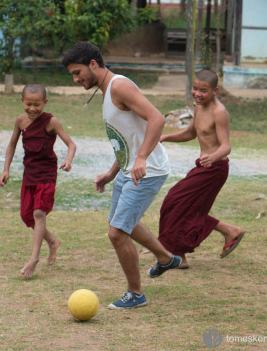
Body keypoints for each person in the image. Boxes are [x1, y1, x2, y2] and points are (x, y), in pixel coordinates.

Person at [62, 41, 181, 309]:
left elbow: (157, 118)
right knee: (124, 223)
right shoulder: (107, 93)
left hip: (147, 171)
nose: (76, 79)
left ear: (94, 64)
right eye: (72, 74)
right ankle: (165, 258)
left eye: (78, 72)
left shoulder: (119, 86)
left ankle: (136, 293)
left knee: (117, 233)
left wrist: (141, 158)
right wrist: (111, 172)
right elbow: (125, 139)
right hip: (129, 169)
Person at [157, 69, 244, 268]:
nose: (197, 93)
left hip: (215, 169)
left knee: (175, 200)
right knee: (184, 207)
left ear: (215, 90)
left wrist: (212, 157)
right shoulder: (198, 107)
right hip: (204, 166)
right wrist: (165, 137)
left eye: (203, 90)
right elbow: (190, 133)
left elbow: (226, 146)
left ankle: (178, 254)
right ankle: (183, 254)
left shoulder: (219, 112)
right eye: (195, 88)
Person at [0, 84, 76, 279]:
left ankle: (34, 258)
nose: (32, 109)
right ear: (22, 102)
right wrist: (6, 169)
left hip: (46, 174)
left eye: (37, 105)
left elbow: (71, 144)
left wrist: (68, 159)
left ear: (45, 103)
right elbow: (11, 145)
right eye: (28, 104)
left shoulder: (51, 122)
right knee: (27, 216)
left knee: (39, 213)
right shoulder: (20, 121)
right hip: (29, 174)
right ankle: (52, 241)